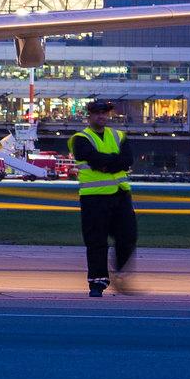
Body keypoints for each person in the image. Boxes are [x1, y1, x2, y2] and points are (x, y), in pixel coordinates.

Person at [70, 99, 137, 296]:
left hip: (120, 195)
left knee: (128, 237)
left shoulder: (118, 136)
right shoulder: (80, 138)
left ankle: (120, 274)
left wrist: (105, 164)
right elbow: (92, 158)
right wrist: (113, 163)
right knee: (96, 241)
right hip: (94, 197)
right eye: (98, 113)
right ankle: (97, 283)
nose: (102, 116)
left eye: (105, 113)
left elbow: (127, 160)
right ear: (89, 116)